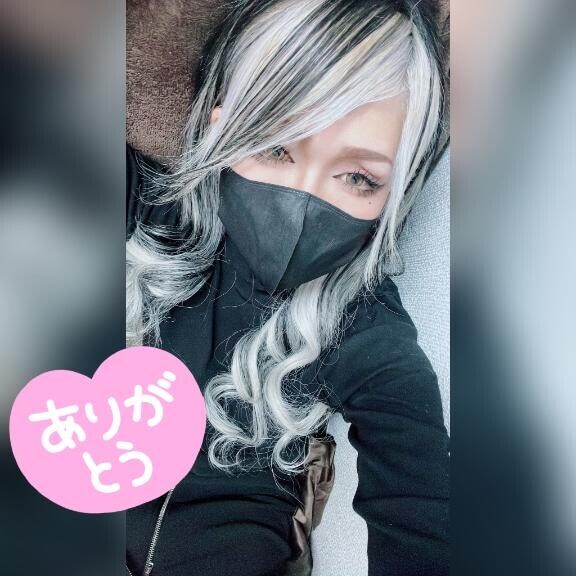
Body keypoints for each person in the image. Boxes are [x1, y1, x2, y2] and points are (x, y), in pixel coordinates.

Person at [126, 1, 449, 575]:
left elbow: (423, 507)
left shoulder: (364, 328)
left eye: (358, 177)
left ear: (393, 193)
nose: (301, 202)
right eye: (276, 147)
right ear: (220, 124)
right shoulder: (138, 202)